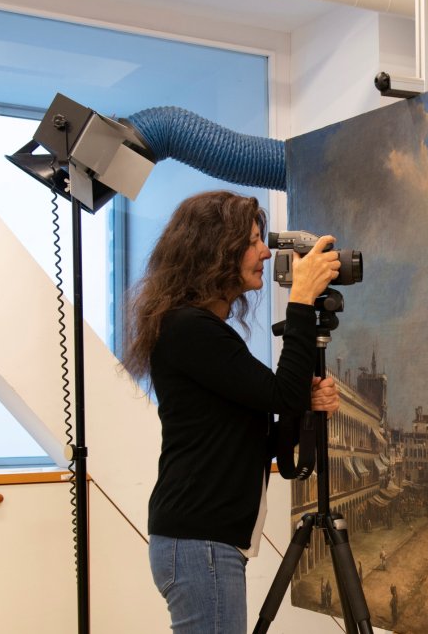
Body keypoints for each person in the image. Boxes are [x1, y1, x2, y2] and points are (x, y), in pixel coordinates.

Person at [124, 191, 341, 633]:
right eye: (253, 241)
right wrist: (300, 300)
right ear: (215, 250)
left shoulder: (201, 331)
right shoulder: (189, 330)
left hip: (203, 541)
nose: (265, 252)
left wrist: (305, 401)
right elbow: (280, 394)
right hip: (199, 542)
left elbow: (267, 427)